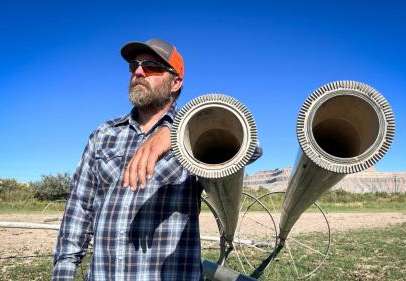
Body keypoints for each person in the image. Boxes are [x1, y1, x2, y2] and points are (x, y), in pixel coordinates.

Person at [52, 38, 261, 281]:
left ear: (176, 82)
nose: (138, 72)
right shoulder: (104, 134)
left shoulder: (192, 134)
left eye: (151, 66)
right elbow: (78, 212)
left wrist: (177, 133)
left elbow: (249, 148)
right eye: (134, 66)